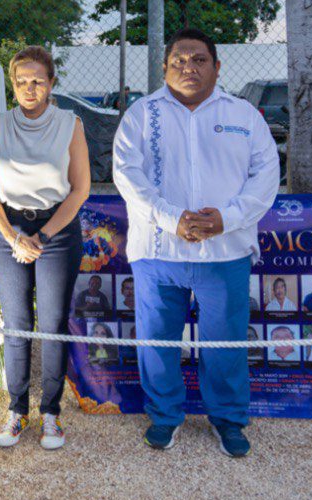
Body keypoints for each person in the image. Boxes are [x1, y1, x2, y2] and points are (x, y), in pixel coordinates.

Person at [113, 27, 279, 457]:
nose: (189, 67)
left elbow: (266, 176)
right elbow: (126, 175)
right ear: (164, 67)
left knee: (225, 343)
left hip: (225, 251)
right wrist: (172, 219)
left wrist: (227, 219)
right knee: (158, 341)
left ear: (217, 67)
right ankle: (164, 416)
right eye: (179, 61)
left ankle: (228, 419)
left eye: (199, 60)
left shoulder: (244, 115)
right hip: (158, 251)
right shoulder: (140, 115)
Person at [0, 45, 90, 450]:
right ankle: (17, 410)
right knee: (16, 324)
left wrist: (41, 237)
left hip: (55, 231)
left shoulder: (69, 124)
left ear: (51, 83)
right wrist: (12, 236)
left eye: (38, 81)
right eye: (22, 81)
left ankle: (51, 414)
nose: (29, 88)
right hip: (7, 230)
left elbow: (80, 190)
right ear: (12, 84)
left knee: (52, 325)